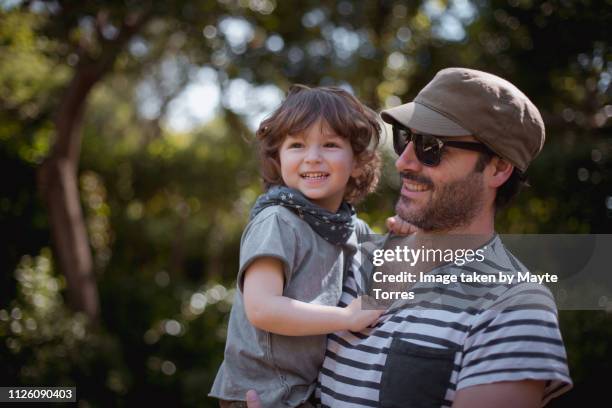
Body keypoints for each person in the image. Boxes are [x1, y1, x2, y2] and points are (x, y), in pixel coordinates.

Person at [248, 68, 573, 407]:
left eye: (431, 147)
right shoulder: (348, 257)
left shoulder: (514, 309)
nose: (403, 161)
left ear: (498, 168)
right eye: (406, 138)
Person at [209, 85, 388, 407]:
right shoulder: (278, 221)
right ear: (277, 160)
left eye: (330, 144)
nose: (313, 157)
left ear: (359, 162)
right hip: (262, 393)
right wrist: (345, 318)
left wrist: (410, 233)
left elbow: (396, 274)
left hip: (304, 392)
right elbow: (262, 308)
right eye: (297, 145)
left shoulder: (350, 228)